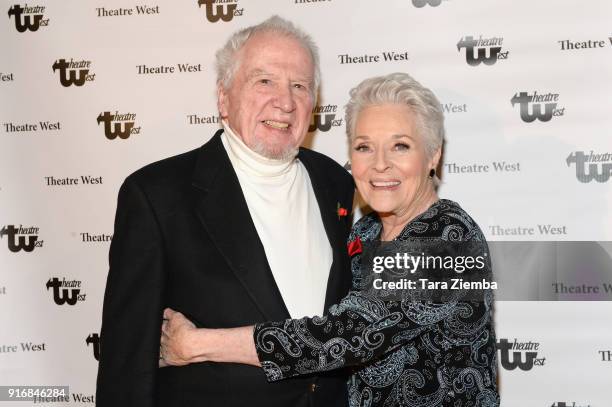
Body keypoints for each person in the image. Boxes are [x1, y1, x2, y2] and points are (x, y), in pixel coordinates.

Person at [161, 73, 500, 406]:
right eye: (365, 147)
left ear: (433, 155)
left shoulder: (449, 237)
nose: (380, 164)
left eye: (400, 146)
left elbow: (349, 335)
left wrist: (195, 344)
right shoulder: (364, 232)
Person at [96, 16, 354, 407]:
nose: (284, 102)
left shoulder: (336, 183)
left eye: (299, 85)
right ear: (223, 98)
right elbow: (126, 365)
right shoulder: (157, 196)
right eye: (264, 81)